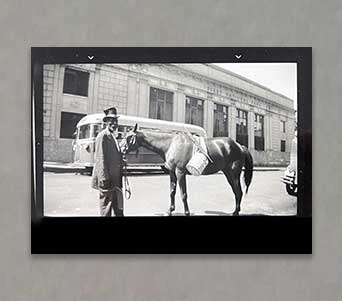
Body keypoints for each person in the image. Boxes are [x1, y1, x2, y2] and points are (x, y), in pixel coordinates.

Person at [91, 107, 125, 216]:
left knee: (118, 209)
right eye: (111, 121)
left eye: (115, 121)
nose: (114, 123)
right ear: (106, 122)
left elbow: (113, 157)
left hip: (115, 181)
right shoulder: (103, 136)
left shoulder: (112, 136)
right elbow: (100, 159)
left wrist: (122, 161)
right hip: (107, 181)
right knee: (106, 210)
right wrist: (104, 179)